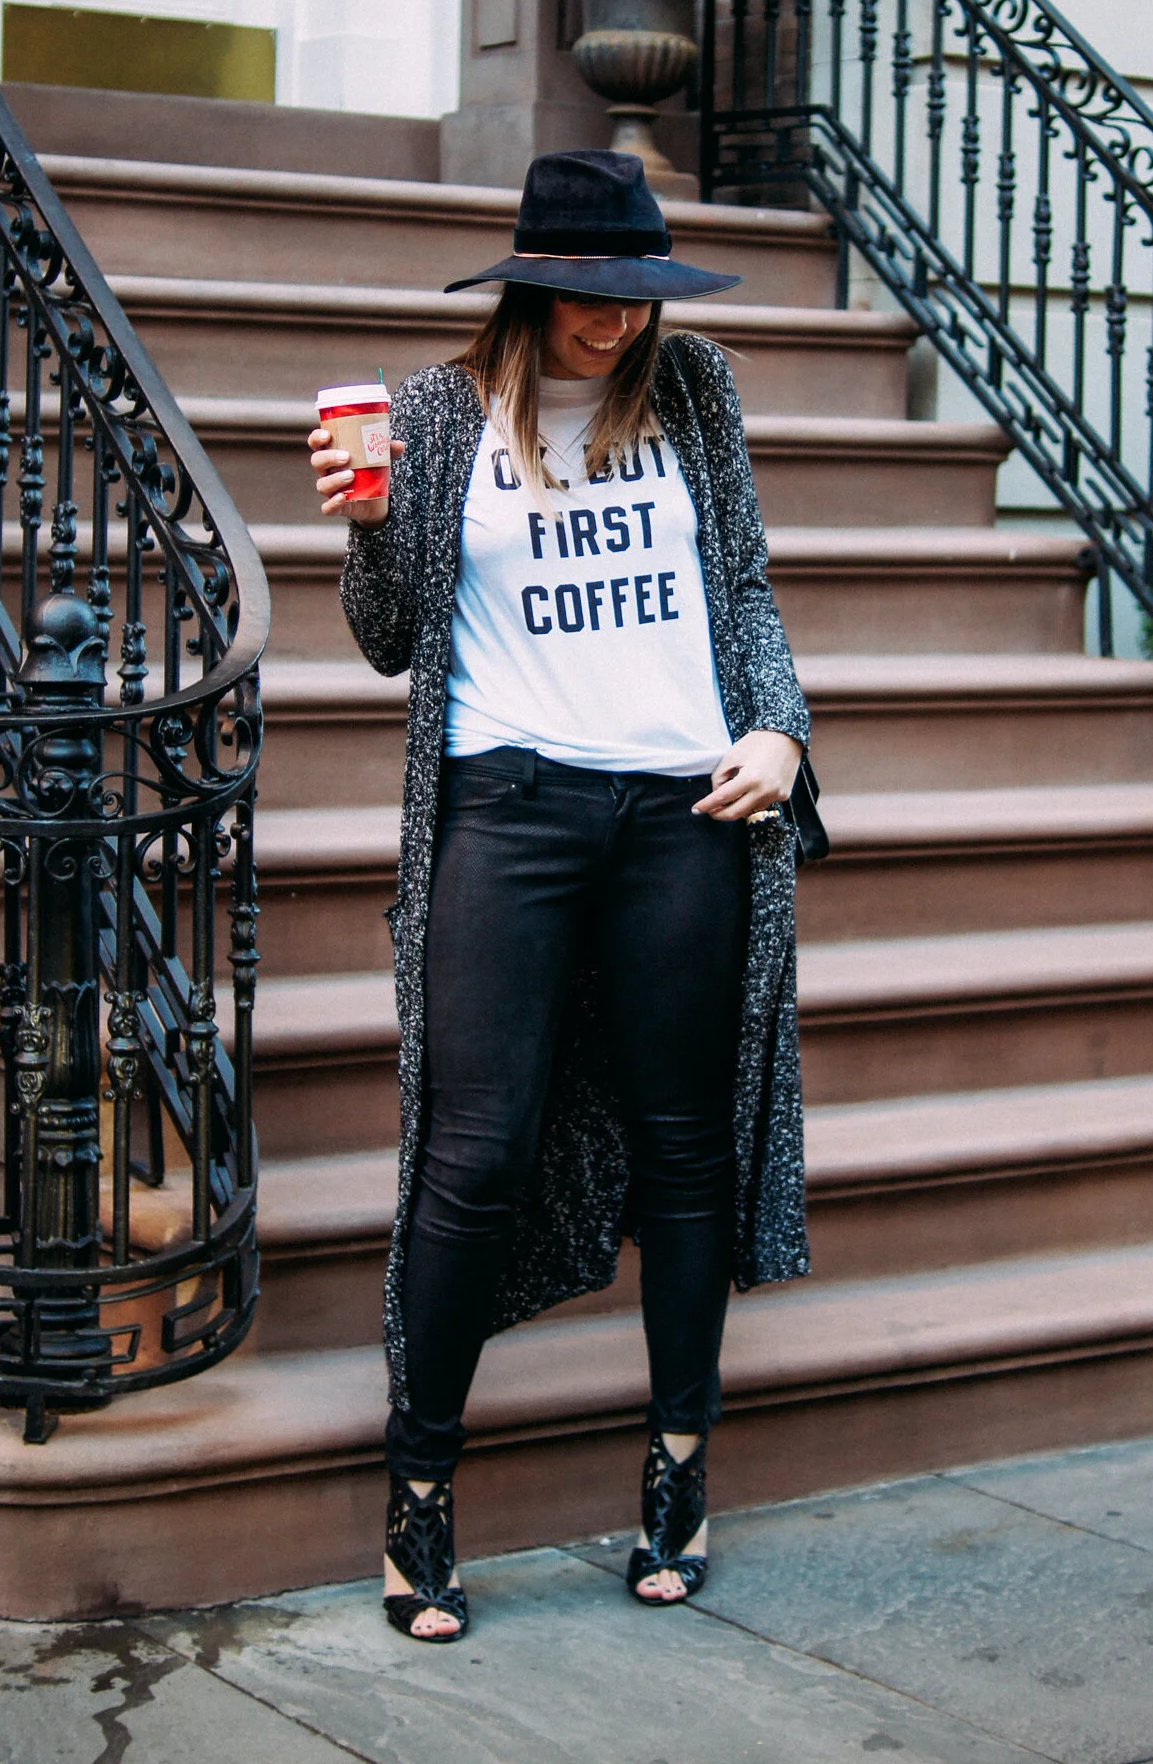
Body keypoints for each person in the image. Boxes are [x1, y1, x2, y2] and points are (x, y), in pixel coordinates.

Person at [308, 150, 810, 1643]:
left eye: (640, 293)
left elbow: (742, 586)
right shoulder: (435, 415)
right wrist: (363, 524)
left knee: (685, 1149)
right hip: (508, 808)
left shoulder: (696, 390)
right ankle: (418, 1488)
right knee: (474, 1153)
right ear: (531, 286)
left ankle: (679, 1469)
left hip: (683, 812)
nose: (619, 322)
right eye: (593, 295)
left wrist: (781, 730)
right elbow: (391, 640)